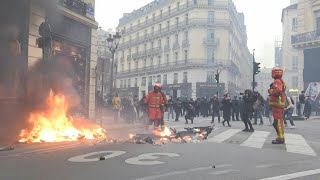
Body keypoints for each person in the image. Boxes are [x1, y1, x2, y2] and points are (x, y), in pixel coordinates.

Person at [268, 67, 286, 144]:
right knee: (277, 122)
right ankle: (280, 137)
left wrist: (270, 91)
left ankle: (280, 138)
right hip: (279, 106)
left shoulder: (276, 81)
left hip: (277, 106)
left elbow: (277, 92)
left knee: (278, 122)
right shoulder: (281, 81)